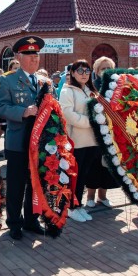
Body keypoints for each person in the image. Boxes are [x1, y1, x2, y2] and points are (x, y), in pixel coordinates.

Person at [0, 35, 47, 240]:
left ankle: (31, 220)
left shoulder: (43, 81)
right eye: (29, 54)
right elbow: (0, 107)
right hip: (18, 141)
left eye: (36, 55)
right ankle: (14, 222)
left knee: (35, 182)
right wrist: (24, 112)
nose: (34, 59)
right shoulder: (7, 80)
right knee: (16, 184)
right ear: (19, 56)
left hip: (39, 143)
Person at [59, 60, 97, 222]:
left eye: (87, 71)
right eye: (80, 71)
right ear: (73, 73)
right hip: (77, 141)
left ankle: (78, 205)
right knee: (74, 176)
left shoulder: (90, 90)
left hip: (92, 141)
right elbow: (67, 114)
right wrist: (90, 122)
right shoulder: (68, 91)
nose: (84, 74)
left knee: (84, 175)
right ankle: (70, 207)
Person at [87, 56, 117, 207]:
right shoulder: (91, 86)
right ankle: (90, 197)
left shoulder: (115, 86)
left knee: (107, 165)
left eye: (108, 68)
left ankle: (103, 196)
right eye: (103, 68)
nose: (106, 71)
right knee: (94, 165)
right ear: (97, 71)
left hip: (111, 132)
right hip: (94, 132)